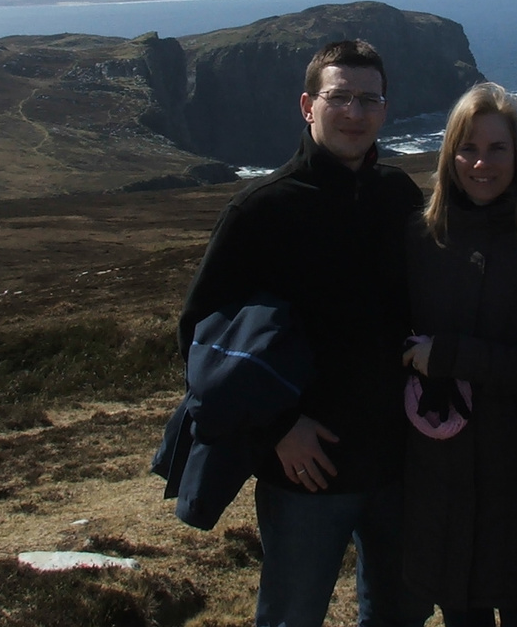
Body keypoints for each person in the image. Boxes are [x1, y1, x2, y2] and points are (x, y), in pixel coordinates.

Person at [179, 39, 431, 627]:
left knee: (403, 613)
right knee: (293, 615)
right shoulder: (261, 211)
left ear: (385, 110)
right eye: (338, 97)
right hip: (306, 469)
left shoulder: (400, 197)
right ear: (306, 105)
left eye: (369, 99)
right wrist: (279, 429)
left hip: (400, 460)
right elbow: (199, 336)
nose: (354, 112)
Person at [401, 83, 517, 627]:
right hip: (440, 480)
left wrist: (448, 355)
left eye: (497, 149)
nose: (481, 163)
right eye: (468, 148)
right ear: (449, 153)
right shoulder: (421, 238)